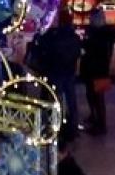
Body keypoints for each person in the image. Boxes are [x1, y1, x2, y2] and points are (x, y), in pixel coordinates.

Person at [33, 8, 83, 143]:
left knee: (55, 100)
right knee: (72, 101)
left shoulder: (51, 36)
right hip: (69, 72)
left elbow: (44, 50)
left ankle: (55, 126)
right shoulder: (75, 37)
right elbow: (78, 54)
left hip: (55, 71)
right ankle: (73, 127)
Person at [79, 8, 115, 135]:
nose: (90, 20)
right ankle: (94, 116)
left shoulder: (105, 32)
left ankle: (101, 125)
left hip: (100, 68)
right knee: (90, 94)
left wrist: (85, 42)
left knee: (98, 97)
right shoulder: (95, 30)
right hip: (90, 67)